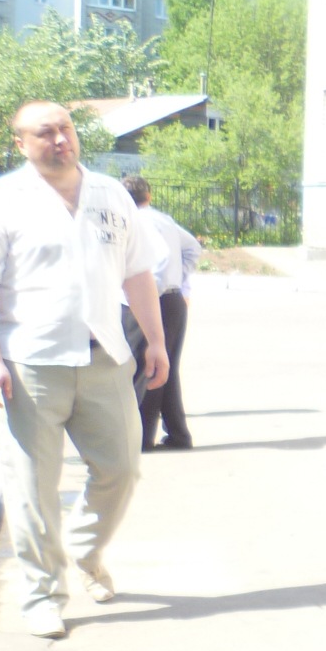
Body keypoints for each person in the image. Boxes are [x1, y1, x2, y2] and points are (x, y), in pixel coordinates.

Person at [0, 101, 167, 639]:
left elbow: (138, 273)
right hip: (29, 364)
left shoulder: (110, 194)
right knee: (31, 488)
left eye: (65, 129)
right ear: (21, 144)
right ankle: (42, 596)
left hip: (104, 358)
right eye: (45, 132)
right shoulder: (1, 200)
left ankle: (84, 550)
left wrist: (156, 342)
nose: (59, 140)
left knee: (121, 469)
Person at [121, 175, 201, 451]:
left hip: (151, 301)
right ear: (149, 196)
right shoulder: (163, 219)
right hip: (172, 300)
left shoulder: (136, 221)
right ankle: (178, 435)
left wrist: (148, 292)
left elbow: (157, 262)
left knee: (147, 367)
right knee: (166, 367)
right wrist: (178, 279)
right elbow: (192, 248)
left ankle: (142, 438)